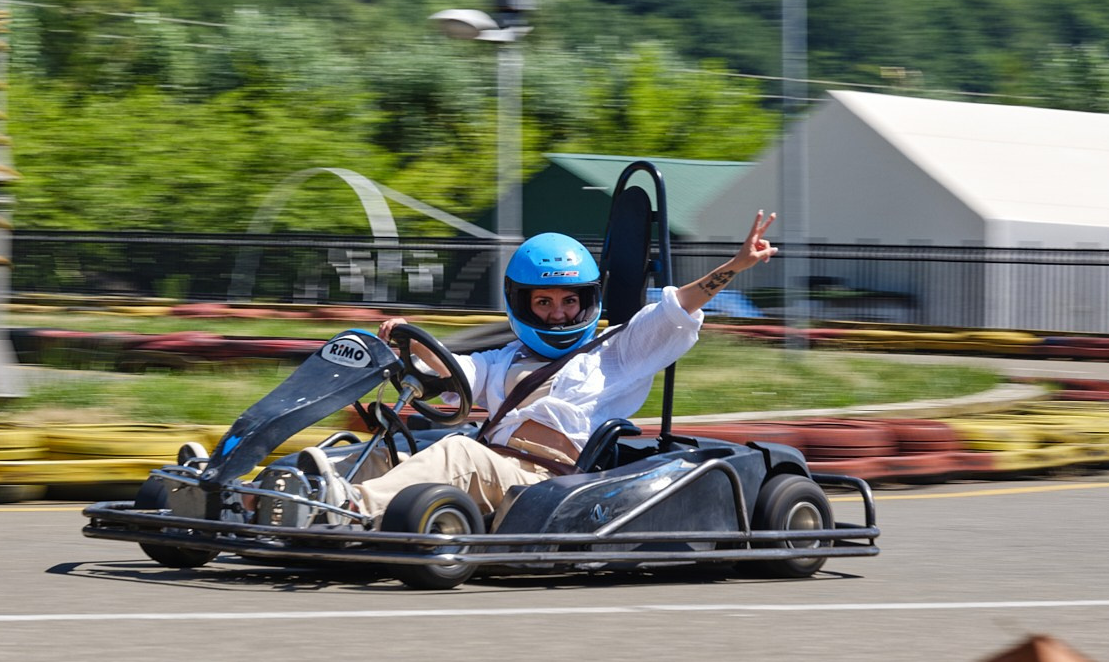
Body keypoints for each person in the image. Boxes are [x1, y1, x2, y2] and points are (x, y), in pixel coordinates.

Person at [321, 211, 778, 521]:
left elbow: (675, 309)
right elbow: (456, 370)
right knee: (388, 451)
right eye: (544, 302)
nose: (558, 314)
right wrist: (410, 341)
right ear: (523, 303)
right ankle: (304, 490)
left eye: (568, 301)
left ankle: (351, 509)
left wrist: (735, 266)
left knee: (458, 454)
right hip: (494, 467)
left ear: (586, 302)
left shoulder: (615, 354)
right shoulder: (505, 359)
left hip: (545, 484)